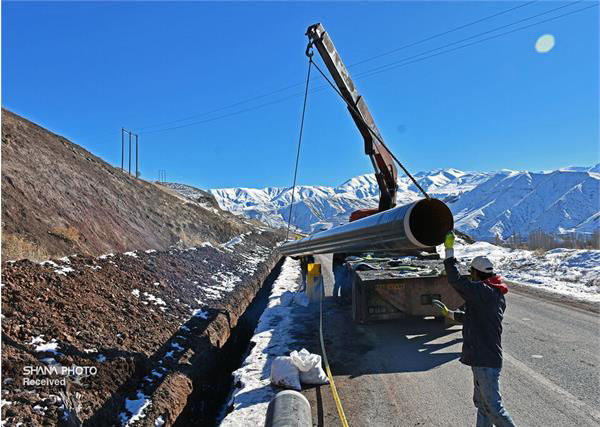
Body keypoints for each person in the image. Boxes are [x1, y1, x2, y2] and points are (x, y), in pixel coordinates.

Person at [433, 231, 516, 427]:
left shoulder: (483, 291)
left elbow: (455, 280)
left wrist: (449, 250)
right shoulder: (493, 292)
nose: (470, 276)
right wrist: (450, 314)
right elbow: (474, 318)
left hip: (485, 360)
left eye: (471, 273)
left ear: (477, 273)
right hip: (484, 358)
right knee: (483, 405)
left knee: (494, 408)